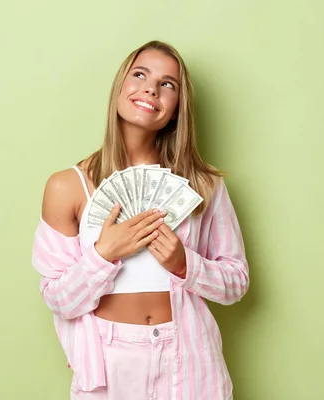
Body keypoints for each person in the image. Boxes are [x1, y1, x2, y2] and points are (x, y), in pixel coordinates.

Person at [32, 40, 250, 400]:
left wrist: (185, 265)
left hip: (191, 358)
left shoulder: (204, 185)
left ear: (177, 108)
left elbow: (237, 282)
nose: (151, 88)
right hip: (109, 362)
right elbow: (57, 298)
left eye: (168, 84)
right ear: (120, 87)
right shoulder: (67, 186)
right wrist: (104, 255)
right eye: (140, 74)